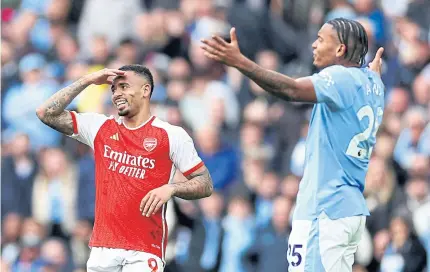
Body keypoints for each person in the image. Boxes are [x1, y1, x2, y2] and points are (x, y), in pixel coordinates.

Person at [201, 18, 385, 272]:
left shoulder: (341, 77)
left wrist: (239, 62)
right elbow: (369, 77)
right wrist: (370, 72)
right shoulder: (373, 84)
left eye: (321, 39)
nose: (313, 45)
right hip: (348, 207)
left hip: (324, 208)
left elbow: (292, 90)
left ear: (340, 49)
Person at [36, 64, 214, 272]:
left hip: (145, 250)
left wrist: (172, 188)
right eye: (113, 89)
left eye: (123, 87)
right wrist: (87, 81)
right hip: (102, 248)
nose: (116, 94)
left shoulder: (172, 135)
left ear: (145, 90)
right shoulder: (100, 127)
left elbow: (205, 183)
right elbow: (45, 113)